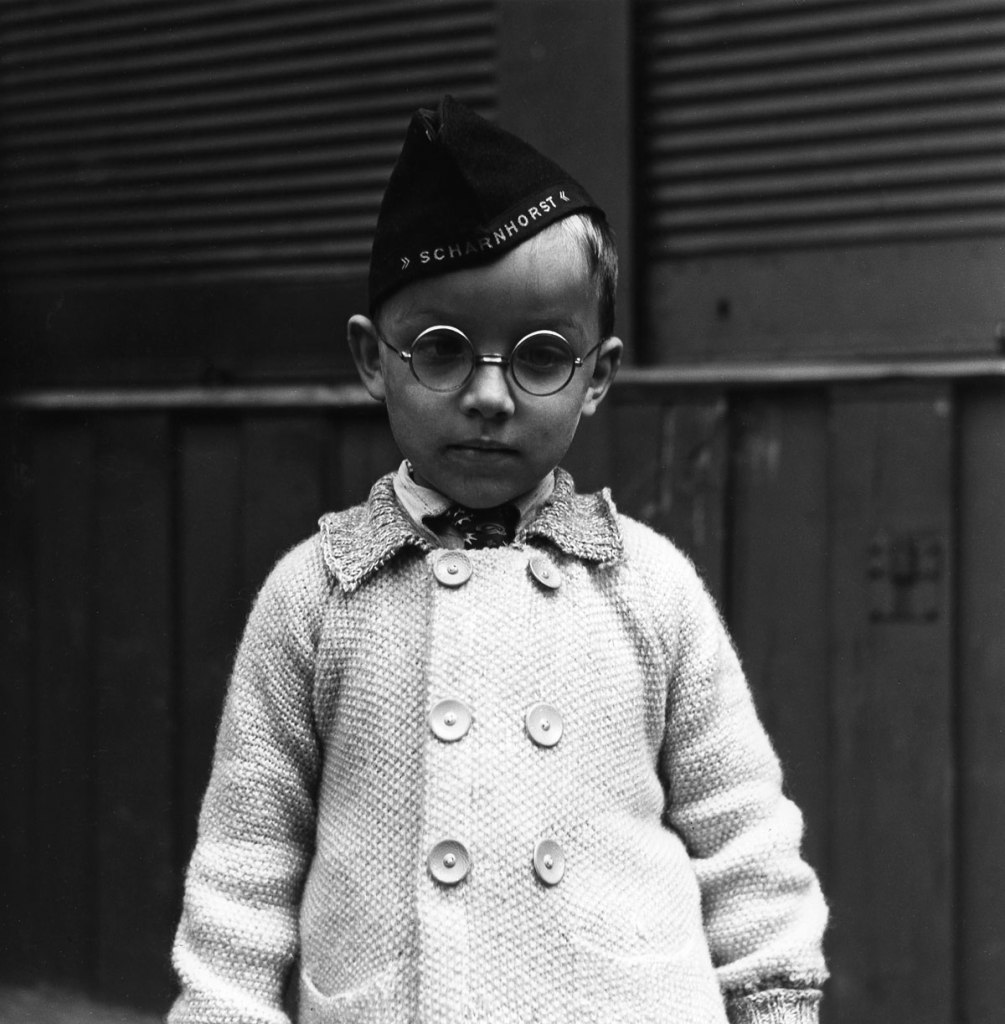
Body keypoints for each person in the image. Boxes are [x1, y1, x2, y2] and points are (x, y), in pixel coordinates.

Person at [168, 95, 828, 1024]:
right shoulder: (317, 595)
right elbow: (246, 855)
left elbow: (741, 827)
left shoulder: (647, 585)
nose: (487, 395)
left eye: (540, 355)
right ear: (372, 358)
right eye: (440, 350)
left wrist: (775, 999)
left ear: (596, 377)